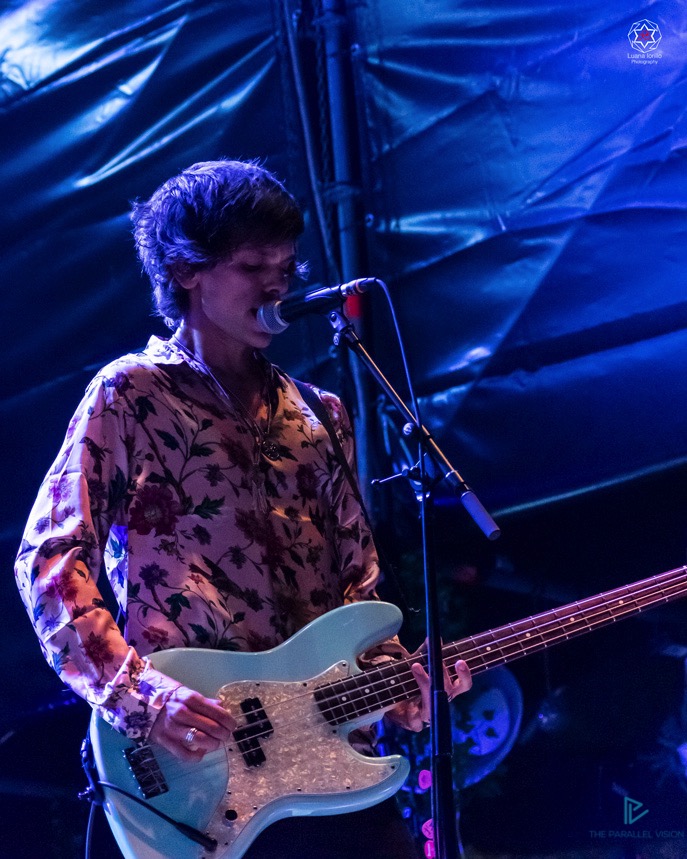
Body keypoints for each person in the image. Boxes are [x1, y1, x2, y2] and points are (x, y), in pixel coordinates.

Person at [14, 159, 471, 858]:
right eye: (253, 265)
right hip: (193, 768)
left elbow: (358, 587)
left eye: (285, 265)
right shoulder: (129, 395)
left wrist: (397, 683)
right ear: (185, 270)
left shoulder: (320, 413)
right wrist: (139, 696)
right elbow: (50, 560)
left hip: (328, 768)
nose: (277, 285)